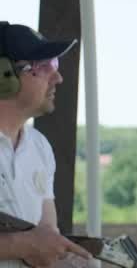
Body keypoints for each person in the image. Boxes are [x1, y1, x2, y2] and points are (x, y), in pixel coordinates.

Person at [0, 22, 92, 268]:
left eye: (56, 65)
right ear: (4, 75)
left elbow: (47, 235)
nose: (58, 77)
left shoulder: (39, 147)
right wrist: (23, 245)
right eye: (45, 66)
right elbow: (35, 243)